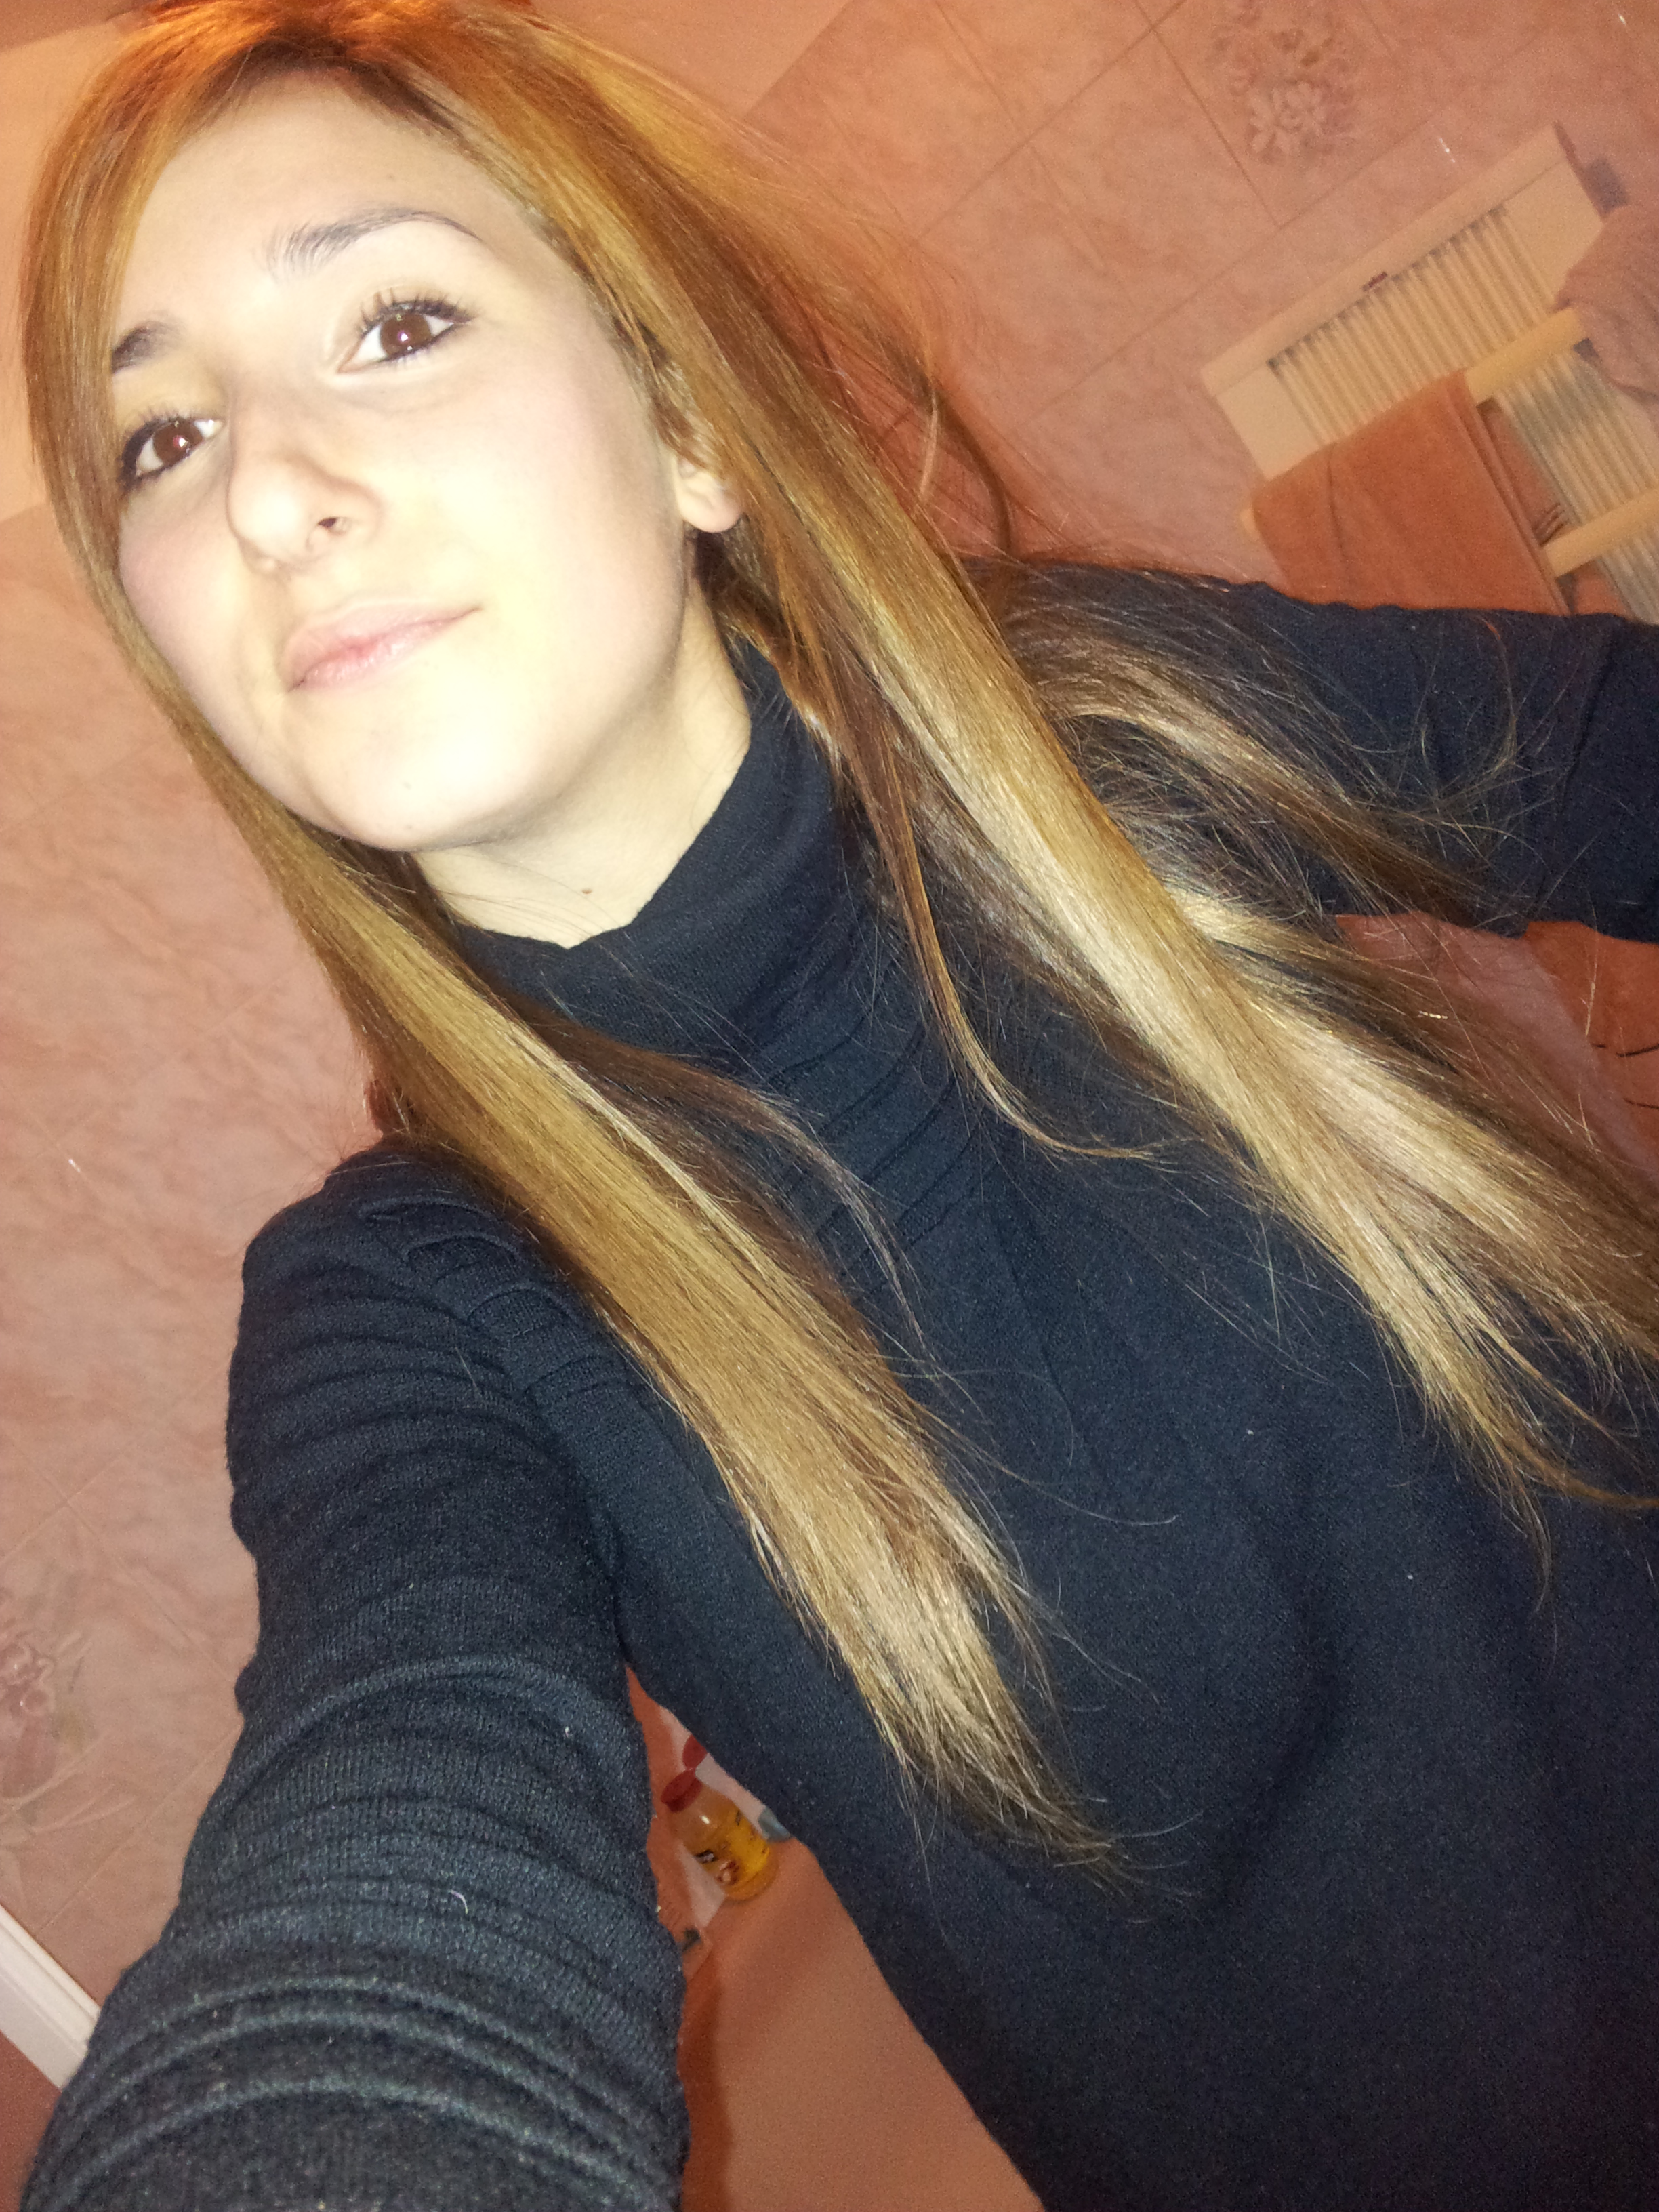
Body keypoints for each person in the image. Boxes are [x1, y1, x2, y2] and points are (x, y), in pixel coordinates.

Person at [17, 2, 1659, 2207]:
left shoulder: (1084, 726)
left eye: (395, 324)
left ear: (689, 424)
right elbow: (386, 1811)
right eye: (163, 438)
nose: (268, 493)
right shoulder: (416, 1310)